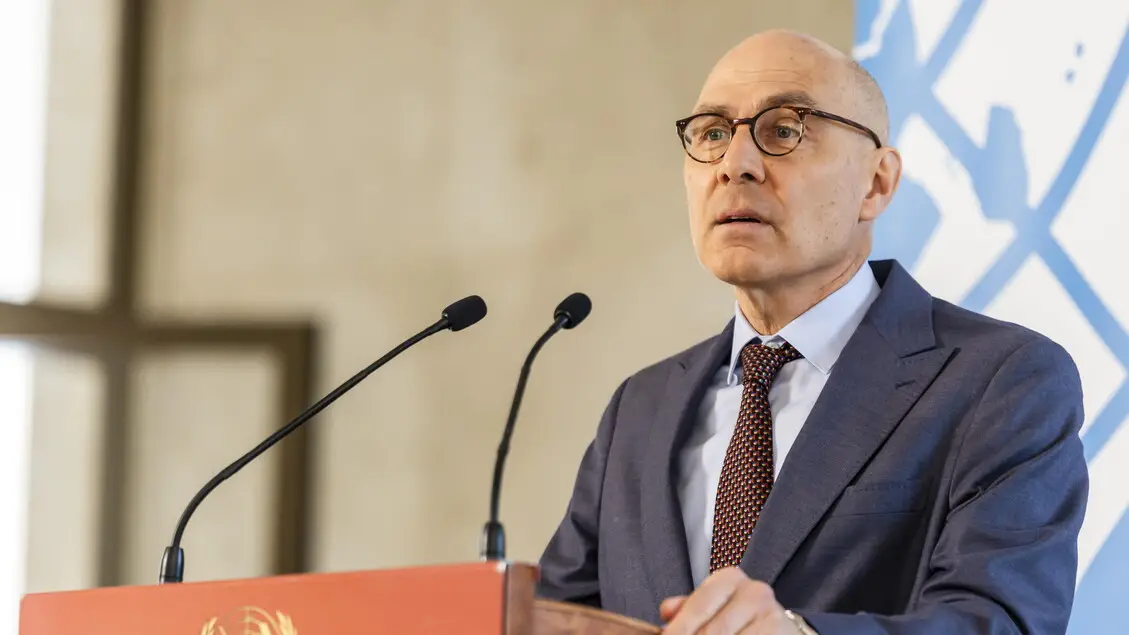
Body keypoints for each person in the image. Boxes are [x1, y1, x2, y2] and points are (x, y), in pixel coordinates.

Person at [535, 29, 1088, 635]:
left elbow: (1001, 621)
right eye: (713, 134)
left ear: (877, 182)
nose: (734, 166)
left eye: (783, 130)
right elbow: (560, 617)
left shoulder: (1001, 381)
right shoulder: (639, 408)